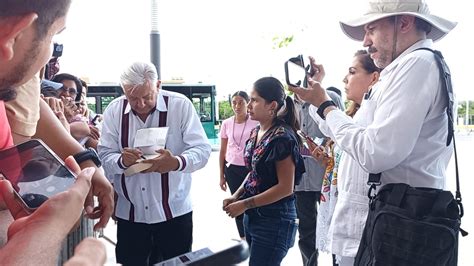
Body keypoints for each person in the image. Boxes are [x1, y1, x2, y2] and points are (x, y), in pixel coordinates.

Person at [289, 0, 456, 264]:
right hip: (390, 223)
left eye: (371, 29)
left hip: (396, 226)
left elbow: (375, 152)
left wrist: (326, 106)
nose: (366, 41)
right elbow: (354, 135)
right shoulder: (407, 67)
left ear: (403, 23)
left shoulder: (417, 64)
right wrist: (319, 102)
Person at [0, 0, 112, 263]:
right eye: (54, 36)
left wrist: (85, 159)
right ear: (15, 34)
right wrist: (44, 235)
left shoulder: (6, 89)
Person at [98, 61, 212, 265]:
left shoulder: (180, 105)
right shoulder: (114, 111)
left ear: (158, 85)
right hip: (130, 215)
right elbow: (105, 155)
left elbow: (202, 150)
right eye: (133, 98)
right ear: (123, 91)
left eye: (147, 96)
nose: (140, 104)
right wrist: (121, 161)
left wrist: (177, 162)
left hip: (174, 212)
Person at [222, 77, 305, 266]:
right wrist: (236, 196)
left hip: (274, 220)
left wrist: (244, 205)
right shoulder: (256, 132)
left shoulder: (282, 137)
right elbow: (253, 173)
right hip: (254, 217)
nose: (249, 105)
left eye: (254, 100)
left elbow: (285, 188)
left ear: (272, 105)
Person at [309, 50, 380, 266]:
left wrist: (323, 101)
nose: (344, 79)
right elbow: (331, 127)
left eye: (352, 71)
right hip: (342, 214)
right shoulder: (355, 116)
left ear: (374, 78)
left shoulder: (374, 117)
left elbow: (362, 152)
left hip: (359, 224)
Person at [293, 81, 344, 266]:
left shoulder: (329, 97)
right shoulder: (289, 104)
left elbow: (341, 131)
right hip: (301, 180)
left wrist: (323, 146)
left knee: (333, 228)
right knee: (306, 231)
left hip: (327, 179)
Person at [219, 90, 258, 239]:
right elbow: (223, 150)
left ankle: (254, 234)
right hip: (232, 169)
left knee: (251, 202)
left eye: (241, 102)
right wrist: (221, 175)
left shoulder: (255, 122)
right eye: (234, 102)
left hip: (250, 168)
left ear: (247, 103)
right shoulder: (227, 123)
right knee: (235, 202)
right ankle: (243, 236)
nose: (237, 106)